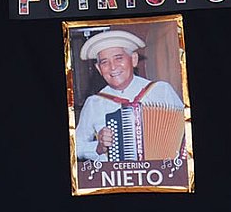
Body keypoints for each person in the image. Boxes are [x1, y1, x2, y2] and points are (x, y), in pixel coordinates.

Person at [72, 29, 185, 162]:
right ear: (99, 69)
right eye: (104, 62)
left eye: (118, 58)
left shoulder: (162, 90)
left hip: (162, 171)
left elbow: (186, 130)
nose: (112, 67)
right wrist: (98, 147)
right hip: (115, 174)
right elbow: (76, 146)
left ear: (134, 59)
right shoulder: (94, 103)